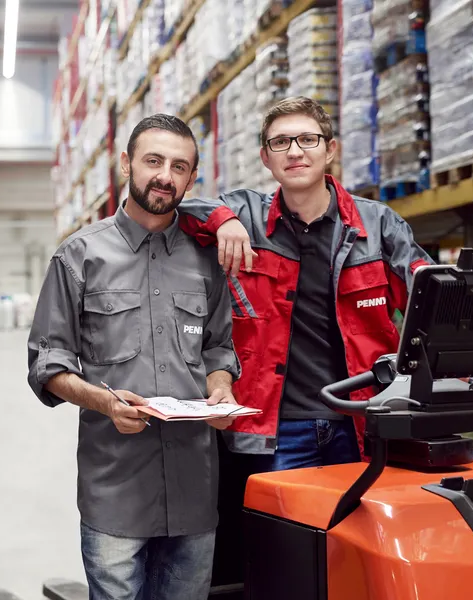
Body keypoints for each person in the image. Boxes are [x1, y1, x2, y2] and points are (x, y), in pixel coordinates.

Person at [26, 114, 241, 600]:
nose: (165, 175)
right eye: (153, 161)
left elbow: (218, 348)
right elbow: (48, 363)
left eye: (179, 166)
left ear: (192, 176)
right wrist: (104, 403)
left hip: (194, 488)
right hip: (116, 489)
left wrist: (222, 389)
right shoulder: (78, 256)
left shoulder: (207, 261)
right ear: (127, 164)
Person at [178, 96, 434, 471]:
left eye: (307, 140)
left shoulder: (378, 225)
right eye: (280, 142)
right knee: (284, 529)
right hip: (277, 430)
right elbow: (176, 212)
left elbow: (430, 294)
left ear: (330, 149)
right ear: (265, 158)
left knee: (354, 529)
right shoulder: (245, 215)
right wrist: (223, 220)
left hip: (361, 419)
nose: (294, 152)